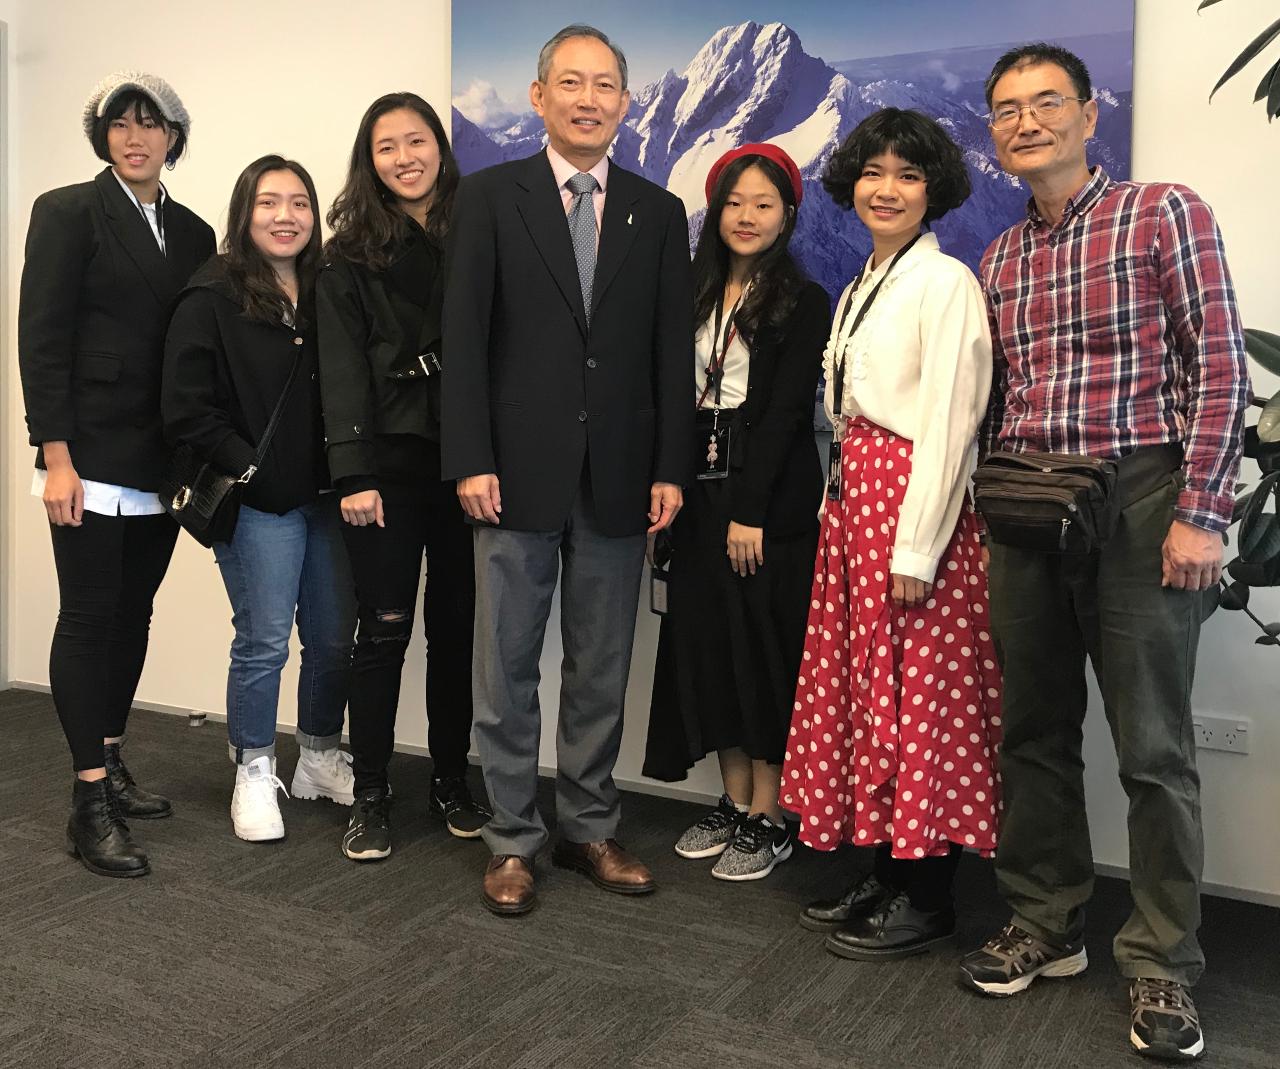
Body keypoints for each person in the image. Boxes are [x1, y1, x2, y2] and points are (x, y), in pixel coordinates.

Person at [958, 44, 1250, 1063]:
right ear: (991, 132)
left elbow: (1217, 365)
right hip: (1026, 503)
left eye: (1046, 103)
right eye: (1006, 109)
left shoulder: (1161, 211)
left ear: (1089, 114)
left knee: (1152, 748)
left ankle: (1160, 957)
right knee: (1031, 729)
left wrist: (1201, 510)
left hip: (1140, 494)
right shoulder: (997, 259)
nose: (1025, 121)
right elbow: (993, 402)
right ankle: (1043, 921)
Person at [443, 24, 694, 915]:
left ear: (626, 102)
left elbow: (672, 354)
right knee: (504, 665)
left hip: (623, 475)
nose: (589, 99)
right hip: (511, 473)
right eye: (570, 83)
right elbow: (464, 339)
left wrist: (673, 465)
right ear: (539, 95)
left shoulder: (658, 212)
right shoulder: (488, 197)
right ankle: (513, 838)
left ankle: (589, 825)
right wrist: (468, 455)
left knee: (601, 665)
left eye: (606, 86)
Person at [780, 108, 1002, 959]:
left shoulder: (943, 284)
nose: (887, 188)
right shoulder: (868, 279)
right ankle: (890, 863)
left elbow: (951, 423)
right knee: (874, 697)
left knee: (922, 706)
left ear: (933, 189)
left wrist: (918, 546)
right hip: (857, 506)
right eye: (874, 172)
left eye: (908, 174)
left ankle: (931, 895)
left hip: (913, 510)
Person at [17, 72, 215, 877]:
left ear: (175, 136)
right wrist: (53, 456)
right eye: (119, 125)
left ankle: (111, 753)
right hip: (87, 457)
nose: (134, 138)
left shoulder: (197, 232)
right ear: (101, 136)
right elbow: (43, 338)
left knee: (134, 615)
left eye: (151, 125)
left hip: (160, 460)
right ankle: (86, 799)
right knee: (89, 618)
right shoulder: (67, 211)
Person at [641, 143, 828, 882]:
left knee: (763, 650)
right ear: (714, 210)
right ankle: (731, 798)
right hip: (694, 489)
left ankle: (770, 814)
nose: (746, 217)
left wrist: (748, 511)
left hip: (763, 501)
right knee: (707, 648)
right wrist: (666, 488)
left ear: (787, 215)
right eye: (734, 202)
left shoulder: (802, 300)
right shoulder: (692, 292)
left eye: (764, 203)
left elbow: (785, 414)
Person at [163, 156, 356, 843]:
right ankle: (252, 767)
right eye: (269, 202)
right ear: (245, 212)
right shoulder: (212, 294)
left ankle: (320, 754)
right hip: (259, 506)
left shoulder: (329, 286)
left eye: (299, 202)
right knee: (265, 641)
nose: (286, 215)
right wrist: (250, 468)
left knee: (335, 640)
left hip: (329, 497)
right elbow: (185, 409)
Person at [318, 93, 490, 863]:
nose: (404, 157)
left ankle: (451, 779)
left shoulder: (480, 229)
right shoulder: (348, 253)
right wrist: (352, 472)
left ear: (440, 149)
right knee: (382, 632)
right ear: (371, 159)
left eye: (416, 141)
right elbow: (341, 371)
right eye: (386, 147)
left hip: (465, 466)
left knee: (456, 631)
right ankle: (371, 790)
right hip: (384, 470)